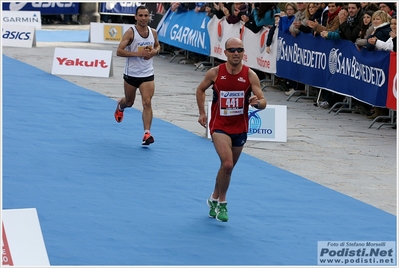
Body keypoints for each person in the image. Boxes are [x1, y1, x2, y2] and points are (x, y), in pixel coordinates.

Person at [195, 37, 266, 222]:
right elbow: (200, 90)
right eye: (232, 50)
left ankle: (214, 197)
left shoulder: (250, 75)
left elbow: (263, 100)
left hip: (240, 127)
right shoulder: (215, 73)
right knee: (227, 164)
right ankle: (223, 203)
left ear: (244, 53)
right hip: (219, 126)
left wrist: (257, 103)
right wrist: (202, 113)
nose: (236, 53)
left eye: (239, 50)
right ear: (225, 52)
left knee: (228, 168)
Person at [114, 5, 161, 146]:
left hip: (147, 74)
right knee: (129, 102)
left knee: (147, 102)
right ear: (135, 17)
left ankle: (147, 133)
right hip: (131, 74)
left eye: (146, 16)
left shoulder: (153, 32)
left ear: (149, 17)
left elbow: (158, 46)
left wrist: (154, 52)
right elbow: (119, 51)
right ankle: (120, 106)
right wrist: (137, 54)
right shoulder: (130, 32)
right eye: (140, 16)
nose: (143, 18)